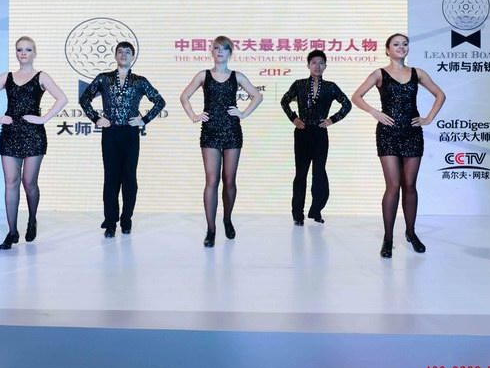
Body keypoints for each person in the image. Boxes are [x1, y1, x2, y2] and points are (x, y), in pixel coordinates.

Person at [351, 33, 446, 258]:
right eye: (396, 44)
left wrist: (428, 118)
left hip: (412, 133)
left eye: (404, 44)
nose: (401, 47)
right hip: (388, 134)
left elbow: (440, 95)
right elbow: (356, 96)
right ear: (387, 50)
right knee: (393, 185)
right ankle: (388, 238)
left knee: (410, 185)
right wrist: (374, 112)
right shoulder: (379, 74)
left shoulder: (417, 73)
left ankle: (411, 233)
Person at [0, 36, 68, 250]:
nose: (24, 53)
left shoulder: (41, 76)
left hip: (33, 134)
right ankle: (12, 232)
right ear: (16, 53)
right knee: (10, 181)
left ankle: (32, 219)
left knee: (29, 182)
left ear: (34, 52)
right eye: (20, 49)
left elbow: (62, 98)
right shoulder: (6, 77)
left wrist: (43, 118)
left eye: (28, 49)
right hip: (10, 133)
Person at [180, 35, 263, 248]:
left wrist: (243, 114)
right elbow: (184, 97)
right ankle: (211, 229)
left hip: (232, 131)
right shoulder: (203, 75)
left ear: (230, 53)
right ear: (212, 51)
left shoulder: (237, 76)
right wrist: (194, 116)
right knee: (211, 180)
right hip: (210, 132)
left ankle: (227, 219)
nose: (220, 52)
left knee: (229, 180)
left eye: (224, 49)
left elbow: (257, 96)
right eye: (216, 48)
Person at [79, 41, 166, 238]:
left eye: (127, 52)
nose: (123, 55)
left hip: (130, 134)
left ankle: (126, 220)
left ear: (133, 57)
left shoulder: (139, 81)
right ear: (115, 55)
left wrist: (144, 120)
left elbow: (160, 102)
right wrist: (96, 118)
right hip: (110, 134)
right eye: (120, 51)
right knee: (111, 179)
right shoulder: (104, 78)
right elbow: (84, 99)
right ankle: (110, 223)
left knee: (129, 179)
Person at [280, 49, 352, 226]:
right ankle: (298, 214)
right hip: (302, 133)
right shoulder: (299, 84)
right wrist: (294, 118)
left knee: (319, 173)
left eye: (321, 63)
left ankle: (316, 210)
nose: (317, 66)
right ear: (308, 65)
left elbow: (347, 104)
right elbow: (284, 101)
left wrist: (332, 120)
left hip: (320, 134)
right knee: (301, 174)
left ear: (325, 66)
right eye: (314, 63)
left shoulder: (330, 86)